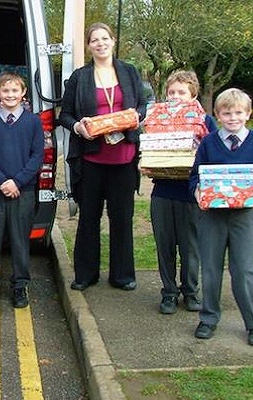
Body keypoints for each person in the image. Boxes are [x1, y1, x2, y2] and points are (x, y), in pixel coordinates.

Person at [59, 22, 147, 292]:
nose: (100, 43)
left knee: (122, 219)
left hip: (124, 158)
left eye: (104, 38)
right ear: (89, 46)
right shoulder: (80, 77)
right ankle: (86, 274)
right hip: (92, 160)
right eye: (94, 40)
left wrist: (135, 117)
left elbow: (142, 106)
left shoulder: (130, 72)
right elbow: (65, 115)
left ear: (112, 41)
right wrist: (78, 128)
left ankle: (122, 275)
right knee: (88, 218)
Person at [188, 88, 253, 346]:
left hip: (243, 217)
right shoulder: (208, 143)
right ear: (217, 115)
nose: (233, 118)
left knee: (244, 270)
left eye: (238, 112)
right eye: (226, 113)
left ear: (248, 114)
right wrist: (197, 191)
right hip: (212, 217)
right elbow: (196, 176)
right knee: (211, 269)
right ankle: (208, 318)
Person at [147, 70, 218, 314]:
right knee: (164, 246)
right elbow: (148, 149)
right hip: (162, 192)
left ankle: (190, 291)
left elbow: (213, 153)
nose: (175, 97)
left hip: (190, 194)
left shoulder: (205, 121)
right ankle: (168, 293)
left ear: (193, 94)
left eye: (181, 92)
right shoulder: (156, 118)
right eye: (171, 92)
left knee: (190, 247)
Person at [0, 72, 44, 310]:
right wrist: (3, 181)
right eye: (6, 91)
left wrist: (17, 182)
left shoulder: (33, 122)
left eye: (15, 91)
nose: (10, 95)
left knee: (19, 240)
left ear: (23, 93)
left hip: (22, 191)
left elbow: (37, 156)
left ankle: (19, 286)